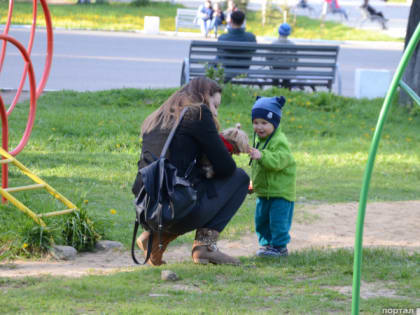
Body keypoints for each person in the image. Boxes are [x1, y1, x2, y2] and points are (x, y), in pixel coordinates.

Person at [132, 77, 250, 266]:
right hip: (173, 209)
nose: (216, 112)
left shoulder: (157, 117)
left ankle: (153, 237)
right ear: (204, 98)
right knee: (240, 178)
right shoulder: (198, 113)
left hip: (147, 209)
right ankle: (205, 247)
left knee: (188, 184)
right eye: (215, 105)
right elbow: (226, 167)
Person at [248, 96, 296, 257]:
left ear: (274, 123)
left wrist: (262, 156)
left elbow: (279, 161)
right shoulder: (260, 140)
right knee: (261, 221)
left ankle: (280, 248)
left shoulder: (279, 141)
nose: (259, 127)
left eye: (264, 123)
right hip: (264, 192)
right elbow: (258, 166)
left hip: (280, 192)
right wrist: (253, 181)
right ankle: (266, 245)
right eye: (256, 122)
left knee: (278, 222)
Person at [217, 10, 256, 80]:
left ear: (231, 21)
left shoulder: (222, 38)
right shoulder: (251, 37)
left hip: (226, 70)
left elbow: (219, 53)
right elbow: (253, 51)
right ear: (243, 21)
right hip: (244, 70)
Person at [270, 23, 296, 89]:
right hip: (287, 70)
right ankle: (286, 89)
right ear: (288, 33)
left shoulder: (273, 44)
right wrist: (293, 69)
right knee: (287, 74)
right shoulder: (292, 45)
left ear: (279, 31)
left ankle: (275, 89)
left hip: (275, 69)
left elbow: (268, 58)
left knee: (274, 74)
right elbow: (296, 60)